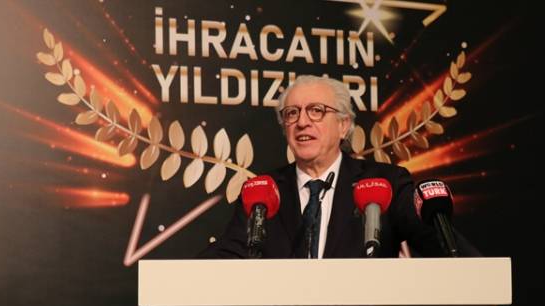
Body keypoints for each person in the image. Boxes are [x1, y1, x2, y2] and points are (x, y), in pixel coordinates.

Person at [200, 75, 479, 258]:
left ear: (344, 125)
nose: (302, 122)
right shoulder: (263, 192)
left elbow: (447, 250)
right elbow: (226, 256)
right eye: (292, 113)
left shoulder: (386, 183)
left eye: (316, 111)